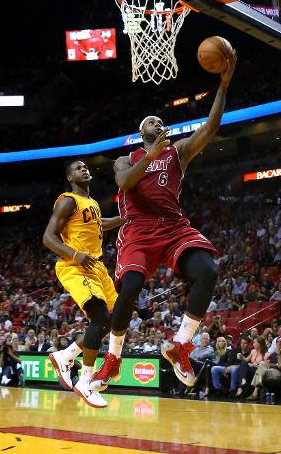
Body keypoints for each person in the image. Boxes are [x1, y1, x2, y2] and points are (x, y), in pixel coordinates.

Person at [90, 52, 237, 391]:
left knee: (208, 272)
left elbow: (211, 127)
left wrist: (223, 85)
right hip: (138, 230)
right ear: (142, 131)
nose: (157, 123)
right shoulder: (126, 158)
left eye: (160, 121)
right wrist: (151, 156)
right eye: (151, 121)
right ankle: (112, 361)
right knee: (128, 290)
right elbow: (125, 184)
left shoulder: (178, 152)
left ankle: (181, 345)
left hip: (173, 227)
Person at [43, 159, 123, 408]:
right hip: (75, 265)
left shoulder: (93, 204)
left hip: (96, 266)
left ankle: (65, 356)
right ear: (70, 177)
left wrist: (125, 219)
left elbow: (102, 224)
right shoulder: (68, 200)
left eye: (86, 167)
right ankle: (86, 382)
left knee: (113, 321)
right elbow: (48, 237)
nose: (84, 169)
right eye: (78, 168)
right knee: (100, 319)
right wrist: (76, 255)